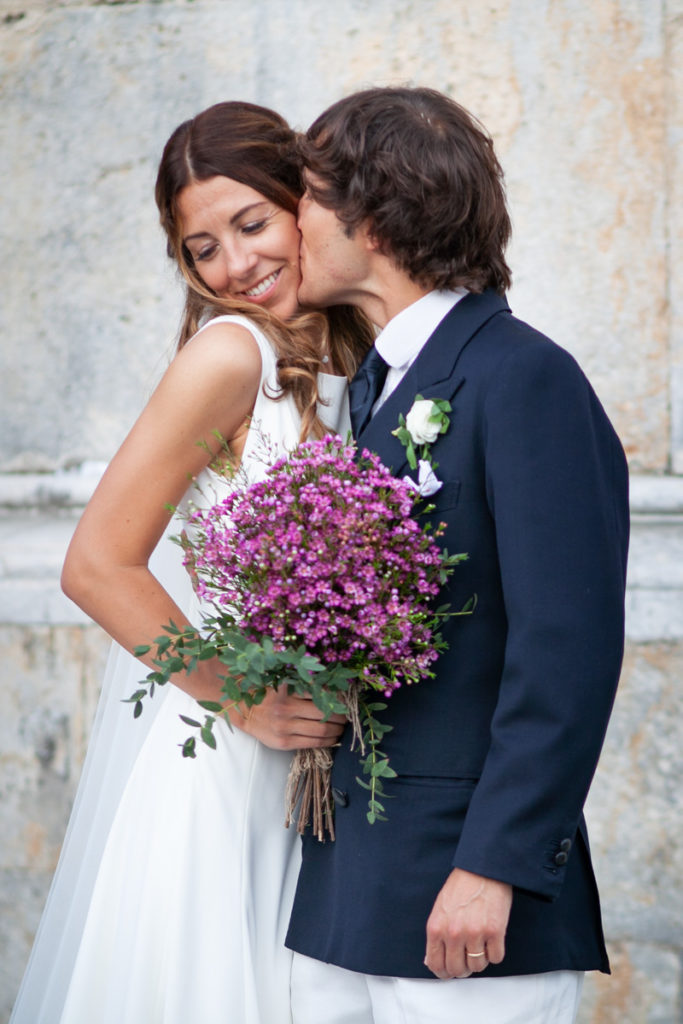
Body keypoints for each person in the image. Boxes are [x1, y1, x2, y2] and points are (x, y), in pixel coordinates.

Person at [10, 101, 373, 1024]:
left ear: (307, 203)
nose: (234, 266)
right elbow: (96, 564)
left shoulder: (349, 354)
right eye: (200, 247)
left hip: (311, 767)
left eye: (250, 225)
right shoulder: (229, 354)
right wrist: (242, 701)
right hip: (221, 760)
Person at [285, 86, 630, 1024]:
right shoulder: (374, 394)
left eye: (307, 195)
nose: (291, 221)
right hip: (344, 886)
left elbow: (567, 647)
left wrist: (494, 866)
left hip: (466, 900)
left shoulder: (524, 377)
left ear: (375, 212)